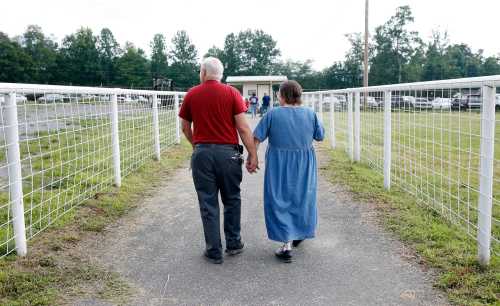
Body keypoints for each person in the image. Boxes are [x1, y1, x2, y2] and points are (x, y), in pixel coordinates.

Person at [179, 57, 259, 264]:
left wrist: (196, 146)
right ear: (220, 74)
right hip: (228, 154)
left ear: (203, 72)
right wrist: (252, 153)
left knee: (208, 202)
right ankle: (233, 243)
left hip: (203, 153)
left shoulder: (191, 94)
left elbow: (185, 128)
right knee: (232, 198)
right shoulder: (232, 93)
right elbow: (242, 127)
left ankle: (213, 250)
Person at [253, 80, 324, 263]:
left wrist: (252, 157)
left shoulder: (273, 114)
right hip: (303, 163)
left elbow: (257, 137)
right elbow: (320, 135)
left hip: (278, 163)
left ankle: (286, 243)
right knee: (302, 197)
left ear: (282, 95)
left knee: (278, 198)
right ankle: (299, 231)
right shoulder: (310, 113)